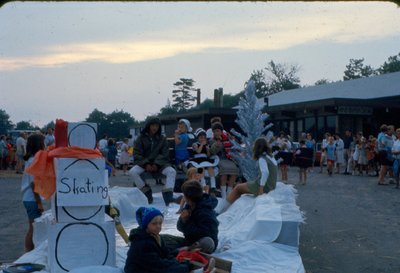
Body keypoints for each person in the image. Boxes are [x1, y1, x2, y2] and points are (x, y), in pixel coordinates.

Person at [216, 137, 278, 214]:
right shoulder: (271, 157)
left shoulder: (262, 158)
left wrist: (261, 189)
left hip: (264, 186)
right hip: (271, 186)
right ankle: (228, 208)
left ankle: (221, 210)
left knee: (238, 188)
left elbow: (265, 173)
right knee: (240, 187)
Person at [124, 207, 193, 273]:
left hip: (152, 266)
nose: (158, 226)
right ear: (146, 225)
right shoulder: (141, 241)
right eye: (154, 224)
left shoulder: (156, 237)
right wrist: (181, 266)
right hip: (139, 270)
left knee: (182, 266)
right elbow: (156, 264)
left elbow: (166, 255)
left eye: (160, 223)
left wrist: (178, 262)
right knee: (180, 269)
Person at [128, 117, 176, 206]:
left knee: (171, 171)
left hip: (160, 164)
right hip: (144, 164)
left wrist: (156, 164)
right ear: (148, 126)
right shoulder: (140, 138)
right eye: (153, 125)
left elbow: (165, 154)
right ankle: (146, 191)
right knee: (132, 172)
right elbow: (137, 154)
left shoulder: (162, 139)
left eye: (157, 126)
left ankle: (168, 196)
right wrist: (146, 164)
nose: (155, 127)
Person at [176, 180, 219, 254]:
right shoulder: (189, 206)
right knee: (166, 240)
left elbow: (205, 233)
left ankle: (187, 250)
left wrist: (187, 222)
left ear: (188, 198)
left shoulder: (205, 211)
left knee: (207, 242)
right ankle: (186, 249)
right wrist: (183, 220)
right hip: (191, 240)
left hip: (204, 241)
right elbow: (179, 227)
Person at [21, 134, 45, 252]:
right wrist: (39, 203)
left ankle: (29, 253)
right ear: (39, 144)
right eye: (43, 142)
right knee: (33, 229)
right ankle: (28, 254)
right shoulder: (34, 160)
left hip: (29, 198)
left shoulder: (30, 159)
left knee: (33, 228)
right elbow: (33, 184)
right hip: (32, 199)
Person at [209, 122, 239, 199]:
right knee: (224, 171)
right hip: (219, 159)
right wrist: (217, 144)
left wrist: (232, 139)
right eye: (214, 131)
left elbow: (235, 146)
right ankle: (223, 193)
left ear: (222, 131)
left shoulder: (227, 138)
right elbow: (212, 152)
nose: (216, 133)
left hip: (228, 158)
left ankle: (229, 191)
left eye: (218, 131)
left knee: (234, 170)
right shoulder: (212, 140)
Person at [187, 128, 218, 192]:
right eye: (201, 137)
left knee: (210, 168)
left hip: (205, 159)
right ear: (197, 138)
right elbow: (198, 151)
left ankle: (213, 186)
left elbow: (208, 155)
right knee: (201, 168)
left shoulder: (206, 145)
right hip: (197, 159)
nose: (203, 139)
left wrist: (207, 148)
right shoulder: (195, 144)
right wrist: (201, 144)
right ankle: (203, 184)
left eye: (204, 137)